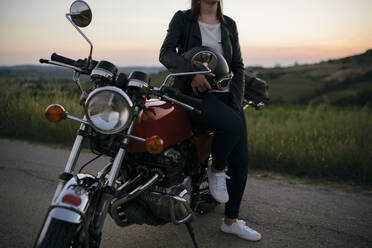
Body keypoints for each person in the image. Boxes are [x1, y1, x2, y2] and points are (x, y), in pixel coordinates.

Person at [159, 0, 262, 241]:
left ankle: (231, 221)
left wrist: (236, 103)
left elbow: (237, 65)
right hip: (195, 96)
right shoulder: (182, 19)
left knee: (242, 158)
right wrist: (192, 73)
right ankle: (216, 169)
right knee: (233, 126)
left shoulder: (229, 24)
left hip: (228, 96)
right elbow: (165, 53)